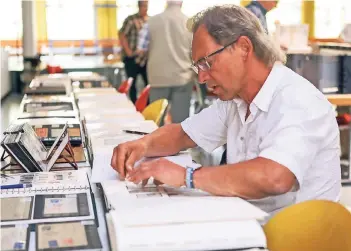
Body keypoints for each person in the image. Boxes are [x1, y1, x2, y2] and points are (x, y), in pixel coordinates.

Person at [111, 5, 341, 216]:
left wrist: (186, 176)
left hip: (287, 237)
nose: (201, 77)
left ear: (243, 48)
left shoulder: (297, 100)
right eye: (198, 67)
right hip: (247, 222)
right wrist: (142, 146)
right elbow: (183, 134)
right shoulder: (236, 101)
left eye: (207, 63)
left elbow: (275, 177)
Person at [137, 0, 194, 123]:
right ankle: (179, 143)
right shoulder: (191, 23)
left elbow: (141, 49)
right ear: (181, 3)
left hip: (158, 77)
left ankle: (157, 142)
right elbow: (195, 51)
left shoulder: (150, 22)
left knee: (156, 121)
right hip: (183, 77)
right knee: (181, 122)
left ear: (167, 2)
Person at [119, 0, 149, 103]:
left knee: (148, 84)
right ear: (139, 6)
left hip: (145, 59)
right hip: (132, 58)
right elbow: (122, 34)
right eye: (144, 6)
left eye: (147, 5)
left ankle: (146, 106)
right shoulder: (131, 20)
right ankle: (133, 104)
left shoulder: (149, 20)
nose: (145, 8)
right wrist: (128, 52)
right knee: (132, 84)